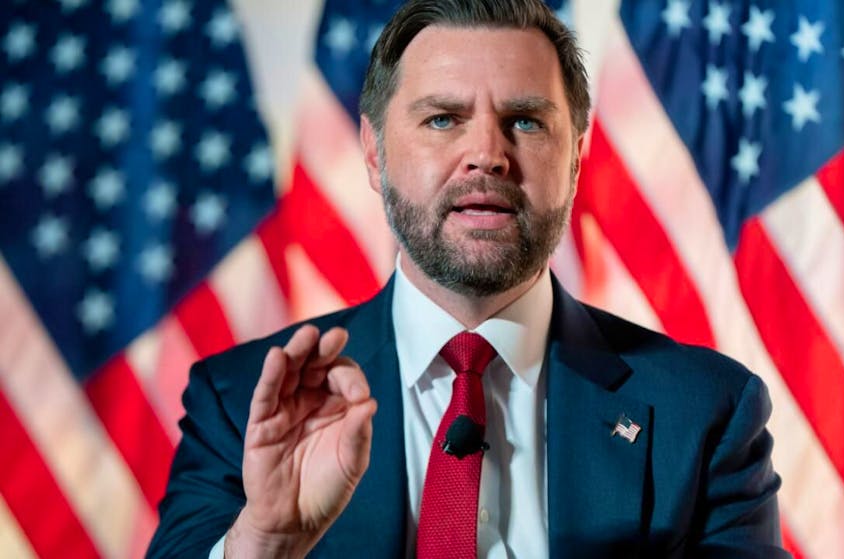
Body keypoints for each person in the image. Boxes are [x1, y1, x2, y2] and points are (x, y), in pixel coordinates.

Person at [148, 0, 790, 557]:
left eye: (527, 120)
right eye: (442, 119)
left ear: (576, 155)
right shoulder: (240, 405)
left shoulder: (707, 413)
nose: (487, 153)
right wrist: (264, 543)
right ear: (374, 152)